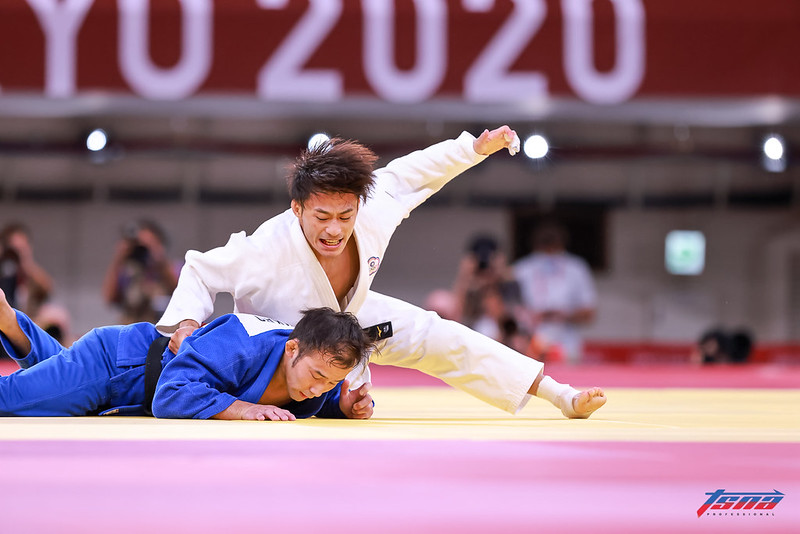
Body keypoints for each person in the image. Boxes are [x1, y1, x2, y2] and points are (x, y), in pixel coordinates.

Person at [157, 126, 606, 419]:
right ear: (297, 209)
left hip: (353, 318)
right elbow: (198, 268)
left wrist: (472, 149)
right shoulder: (263, 248)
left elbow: (410, 173)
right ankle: (342, 394)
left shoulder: (371, 213)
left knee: (438, 334)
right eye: (321, 216)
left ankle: (557, 394)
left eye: (344, 215)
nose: (334, 229)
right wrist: (187, 323)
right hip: (284, 339)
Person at [0, 287, 375, 420]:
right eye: (317, 378)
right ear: (292, 347)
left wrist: (341, 406)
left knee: (54, 377)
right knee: (14, 401)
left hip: (124, 380)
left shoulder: (314, 367)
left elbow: (311, 394)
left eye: (331, 382)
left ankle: (12, 324)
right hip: (112, 366)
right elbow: (169, 394)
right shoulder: (240, 345)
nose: (319, 388)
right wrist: (244, 409)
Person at [513, 220, 597, 364]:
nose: (549, 252)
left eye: (553, 245)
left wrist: (564, 315)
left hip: (566, 343)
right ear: (535, 244)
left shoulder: (576, 268)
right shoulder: (521, 269)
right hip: (529, 342)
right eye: (545, 245)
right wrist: (529, 315)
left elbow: (589, 312)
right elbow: (508, 310)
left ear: (562, 244)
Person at [103, 219, 180, 324]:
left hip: (160, 329)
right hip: (131, 329)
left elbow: (179, 291)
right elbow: (110, 298)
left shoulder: (172, 269)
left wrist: (159, 260)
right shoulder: (129, 272)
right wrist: (119, 258)